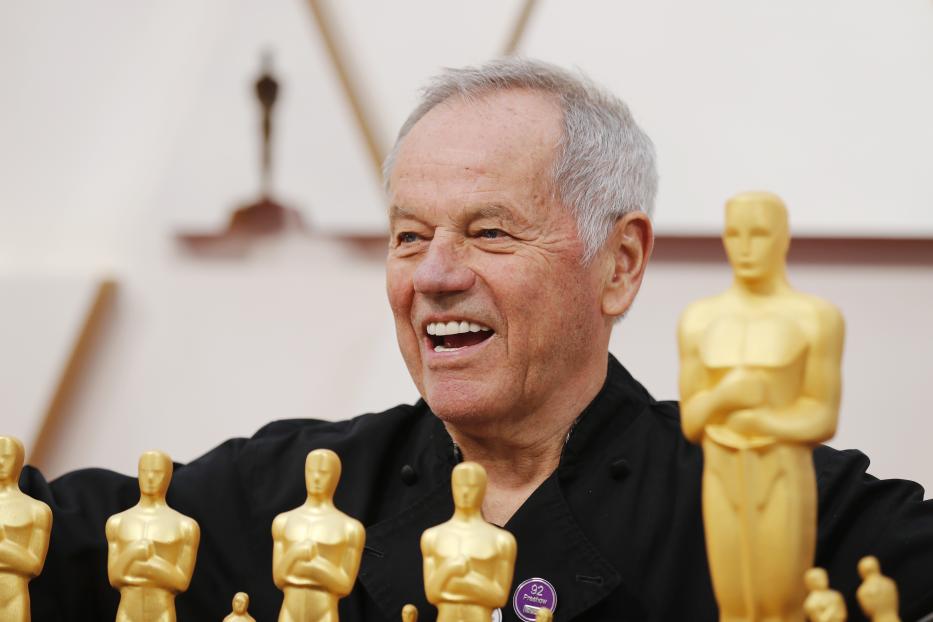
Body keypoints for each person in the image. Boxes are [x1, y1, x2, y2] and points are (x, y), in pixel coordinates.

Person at [16, 58, 933, 621]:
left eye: (490, 232)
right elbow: (47, 542)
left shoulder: (782, 506)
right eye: (408, 235)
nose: (433, 275)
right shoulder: (288, 490)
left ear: (619, 264)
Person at [678, 192, 844, 619]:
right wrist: (725, 397)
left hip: (780, 471)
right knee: (733, 602)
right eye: (735, 234)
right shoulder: (700, 319)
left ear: (783, 238)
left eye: (759, 234)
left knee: (779, 603)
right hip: (721, 471)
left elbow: (822, 415)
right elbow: (691, 421)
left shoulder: (814, 318)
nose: (745, 247)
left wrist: (764, 418)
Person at [105, 450, 200, 622]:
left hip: (162, 612)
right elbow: (114, 577)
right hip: (127, 611)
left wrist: (149, 563)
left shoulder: (185, 526)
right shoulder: (117, 522)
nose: (149, 477)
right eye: (144, 471)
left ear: (168, 476)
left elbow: (181, 582)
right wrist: (134, 551)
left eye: (157, 472)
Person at [271, 449, 364, 621]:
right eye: (310, 471)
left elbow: (344, 585)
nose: (315, 478)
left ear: (335, 477)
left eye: (323, 473)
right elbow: (278, 576)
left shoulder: (350, 528)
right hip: (289, 609)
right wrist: (296, 552)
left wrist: (314, 566)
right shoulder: (283, 522)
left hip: (324, 611)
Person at [421, 462, 515, 622]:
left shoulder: (501, 541)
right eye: (460, 486)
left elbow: (499, 597)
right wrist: (450, 569)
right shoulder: (433, 537)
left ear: (483, 489)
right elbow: (432, 593)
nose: (465, 493)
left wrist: (467, 580)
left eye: (472, 487)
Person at [0, 436, 52, 622]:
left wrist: (3, 547)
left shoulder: (36, 511)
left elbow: (33, 565)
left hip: (13, 595)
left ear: (19, 460)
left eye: (6, 456)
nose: (0, 462)